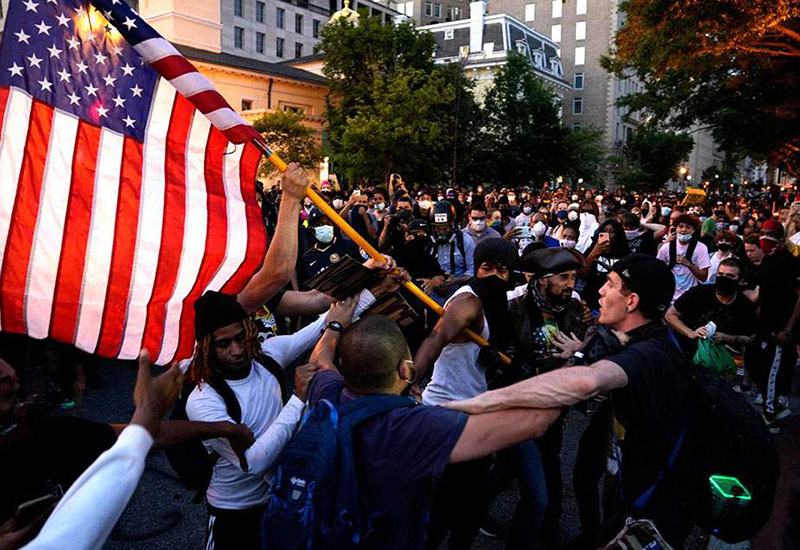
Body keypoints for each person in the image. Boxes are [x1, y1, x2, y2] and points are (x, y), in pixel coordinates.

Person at [445, 255, 697, 547]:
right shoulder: (611, 333)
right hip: (623, 477)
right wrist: (447, 434)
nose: (599, 290)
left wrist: (477, 404)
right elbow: (545, 411)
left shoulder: (652, 352)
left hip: (656, 504)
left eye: (611, 284)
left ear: (631, 302)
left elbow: (585, 381)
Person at [303, 315, 560, 550]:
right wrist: (582, 360)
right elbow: (536, 420)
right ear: (405, 370)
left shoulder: (328, 391)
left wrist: (334, 328)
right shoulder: (415, 426)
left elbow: (321, 358)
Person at [20, 352, 185, 550]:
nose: (82, 386)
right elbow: (66, 539)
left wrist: (221, 428)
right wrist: (147, 410)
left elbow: (140, 438)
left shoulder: (55, 431)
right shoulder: (49, 432)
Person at [414, 239, 519, 550]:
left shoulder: (499, 304)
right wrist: (411, 377)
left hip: (480, 414)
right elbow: (438, 336)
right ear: (477, 267)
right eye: (487, 268)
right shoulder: (468, 302)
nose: (494, 276)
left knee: (471, 505)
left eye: (502, 271)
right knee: (443, 508)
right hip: (448, 414)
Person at [745, 218, 800, 432]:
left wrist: (788, 328)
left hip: (780, 326)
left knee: (774, 369)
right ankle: (773, 403)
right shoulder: (768, 262)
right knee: (760, 362)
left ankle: (770, 413)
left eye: (768, 233)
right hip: (766, 324)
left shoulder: (790, 262)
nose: (763, 237)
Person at [666, 258, 756, 356]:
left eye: (730, 276)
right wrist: (691, 333)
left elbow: (751, 339)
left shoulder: (744, 305)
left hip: (721, 359)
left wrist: (728, 338)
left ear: (740, 280)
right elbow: (670, 315)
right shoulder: (699, 293)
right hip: (687, 352)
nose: (724, 278)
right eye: (720, 274)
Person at [299, 208, 365, 284]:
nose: (326, 227)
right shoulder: (308, 257)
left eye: (328, 223)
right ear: (312, 230)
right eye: (320, 224)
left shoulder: (349, 246)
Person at [656, 214, 710, 303]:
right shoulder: (666, 248)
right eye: (680, 227)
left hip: (690, 297)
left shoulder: (701, 248)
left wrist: (689, 264)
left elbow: (704, 277)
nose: (684, 230)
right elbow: (657, 270)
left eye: (688, 227)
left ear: (693, 230)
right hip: (670, 296)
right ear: (676, 228)